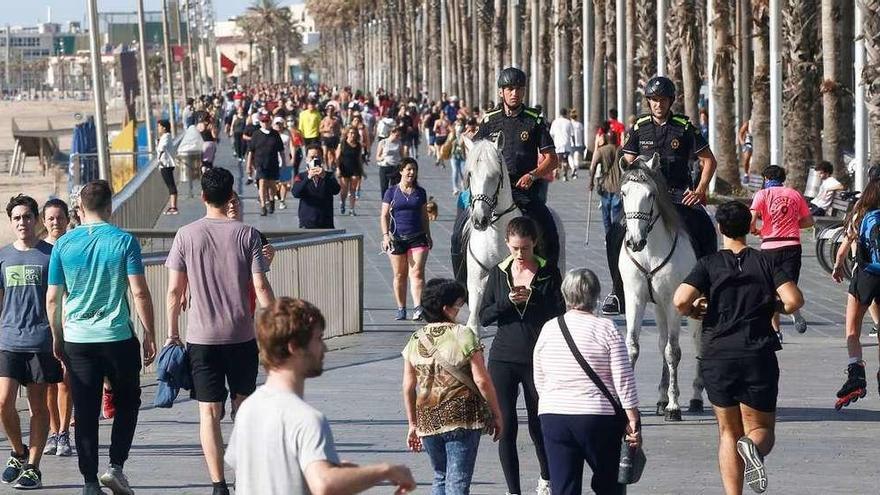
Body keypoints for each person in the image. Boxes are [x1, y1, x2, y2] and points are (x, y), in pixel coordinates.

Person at [673, 201, 803, 495]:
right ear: (751, 228)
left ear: (719, 228)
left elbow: (680, 300)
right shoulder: (765, 262)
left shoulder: (708, 264)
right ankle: (753, 447)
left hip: (717, 355)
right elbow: (794, 300)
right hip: (758, 353)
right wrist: (773, 304)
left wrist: (695, 310)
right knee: (762, 429)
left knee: (727, 431)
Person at [226, 297, 416, 495]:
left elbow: (262, 472)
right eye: (318, 339)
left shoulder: (249, 408)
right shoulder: (306, 419)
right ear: (294, 347)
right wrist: (385, 471)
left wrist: (325, 467)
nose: (324, 348)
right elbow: (324, 484)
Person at [165, 167, 275, 495]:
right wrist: (275, 328)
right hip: (241, 335)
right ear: (230, 197)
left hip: (202, 338)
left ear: (202, 196)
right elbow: (261, 286)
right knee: (244, 407)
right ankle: (245, 477)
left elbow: (174, 292)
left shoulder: (186, 234)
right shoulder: (247, 234)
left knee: (209, 412)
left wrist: (172, 333)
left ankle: (218, 485)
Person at [47, 180, 157, 495]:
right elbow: (139, 291)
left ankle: (89, 482)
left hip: (78, 338)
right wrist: (148, 332)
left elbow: (53, 298)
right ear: (110, 207)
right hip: (118, 336)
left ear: (79, 209)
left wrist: (57, 336)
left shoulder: (64, 245)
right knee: (127, 402)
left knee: (85, 409)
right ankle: (116, 466)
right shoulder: (124, 241)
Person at [601, 75, 719, 316]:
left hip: (678, 196)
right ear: (648, 102)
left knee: (705, 228)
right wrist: (630, 165)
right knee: (615, 233)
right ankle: (617, 291)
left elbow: (709, 161)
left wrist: (699, 190)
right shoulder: (639, 127)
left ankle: (709, 288)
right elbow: (627, 159)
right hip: (646, 197)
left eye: (662, 100)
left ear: (671, 101)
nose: (658, 104)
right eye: (653, 100)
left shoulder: (684, 128)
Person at [533, 268, 641, 495]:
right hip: (597, 418)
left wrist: (555, 399)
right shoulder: (606, 328)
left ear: (565, 295)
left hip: (554, 415)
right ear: (596, 295)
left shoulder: (549, 328)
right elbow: (623, 377)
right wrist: (632, 416)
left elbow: (539, 376)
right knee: (609, 484)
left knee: (563, 487)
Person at [478, 216, 565, 495]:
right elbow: (484, 316)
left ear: (534, 244)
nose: (519, 255)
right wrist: (507, 301)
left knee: (539, 423)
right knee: (505, 426)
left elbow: (559, 313)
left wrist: (533, 298)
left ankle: (546, 479)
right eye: (514, 248)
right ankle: (513, 490)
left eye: (525, 249)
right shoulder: (498, 272)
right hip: (502, 358)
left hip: (537, 358)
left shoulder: (549, 271)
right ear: (507, 243)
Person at [401, 279, 503, 495]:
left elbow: (409, 385)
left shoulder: (415, 339)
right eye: (459, 304)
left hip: (427, 419)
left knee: (440, 476)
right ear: (446, 308)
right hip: (462, 417)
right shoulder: (464, 335)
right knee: (458, 481)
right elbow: (482, 380)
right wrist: (496, 413)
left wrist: (413, 424)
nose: (461, 309)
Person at [453, 67, 560, 273]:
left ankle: (550, 278)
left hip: (523, 190)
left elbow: (552, 159)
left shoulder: (534, 120)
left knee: (548, 228)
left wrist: (533, 175)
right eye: (509, 88)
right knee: (458, 232)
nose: (514, 93)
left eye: (519, 89)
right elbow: (476, 154)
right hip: (488, 189)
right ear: (501, 92)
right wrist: (465, 141)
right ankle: (461, 281)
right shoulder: (490, 119)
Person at [0, 195, 62, 490]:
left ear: (36, 220)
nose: (22, 222)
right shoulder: (3, 256)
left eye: (27, 217)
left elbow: (62, 298)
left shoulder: (51, 255)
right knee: (3, 403)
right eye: (17, 218)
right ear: (11, 222)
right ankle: (18, 451)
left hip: (41, 341)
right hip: (8, 340)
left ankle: (33, 467)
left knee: (38, 406)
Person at [749, 165, 814, 341]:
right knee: (788, 285)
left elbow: (751, 220)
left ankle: (776, 331)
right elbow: (808, 221)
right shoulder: (794, 194)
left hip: (770, 246)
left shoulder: (762, 195)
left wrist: (757, 230)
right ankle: (795, 313)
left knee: (770, 290)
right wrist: (792, 226)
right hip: (792, 246)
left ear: (766, 178)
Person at [831, 178, 880, 410]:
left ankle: (856, 376)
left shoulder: (860, 212)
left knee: (852, 329)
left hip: (865, 276)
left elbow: (846, 242)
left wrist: (838, 264)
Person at [380, 158, 432, 321]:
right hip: (396, 238)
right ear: (401, 171)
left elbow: (424, 216)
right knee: (400, 275)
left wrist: (428, 234)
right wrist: (385, 235)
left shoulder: (420, 192)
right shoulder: (391, 192)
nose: (411, 172)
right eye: (408, 169)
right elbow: (384, 215)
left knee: (417, 273)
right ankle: (401, 308)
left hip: (417, 237)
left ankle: (418, 307)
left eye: (414, 170)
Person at [41, 199, 73, 459]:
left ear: (68, 219)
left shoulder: (73, 246)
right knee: (49, 384)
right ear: (44, 221)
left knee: (65, 381)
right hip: (43, 325)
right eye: (50, 218)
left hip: (69, 323)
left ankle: (64, 432)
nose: (55, 222)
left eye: (59, 217)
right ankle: (52, 430)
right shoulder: (40, 251)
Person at [292, 145, 342, 229]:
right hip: (307, 222)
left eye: (317, 157)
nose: (314, 160)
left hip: (326, 222)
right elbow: (295, 193)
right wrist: (308, 178)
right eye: (311, 157)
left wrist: (324, 176)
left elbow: (336, 190)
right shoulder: (301, 176)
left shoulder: (329, 175)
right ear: (306, 159)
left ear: (322, 159)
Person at [248, 111, 285, 216]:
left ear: (270, 122)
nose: (265, 123)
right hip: (260, 164)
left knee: (272, 185)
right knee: (262, 183)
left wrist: (284, 164)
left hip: (273, 163)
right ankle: (263, 206)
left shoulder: (275, 134)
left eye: (267, 121)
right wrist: (249, 166)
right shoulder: (256, 134)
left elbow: (281, 150)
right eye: (263, 121)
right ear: (260, 122)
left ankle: (272, 200)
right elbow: (251, 151)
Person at [589, 124, 622, 234]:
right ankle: (615, 235)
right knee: (617, 215)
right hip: (618, 186)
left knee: (606, 215)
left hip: (605, 187)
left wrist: (591, 182)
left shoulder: (601, 151)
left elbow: (593, 166)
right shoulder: (621, 151)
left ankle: (608, 235)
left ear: (607, 139)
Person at [336, 127, 364, 216]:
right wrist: (338, 169)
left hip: (355, 169)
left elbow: (359, 159)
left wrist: (362, 171)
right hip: (344, 168)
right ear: (347, 134)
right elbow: (337, 158)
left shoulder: (358, 145)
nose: (352, 135)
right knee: (344, 190)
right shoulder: (342, 144)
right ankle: (342, 202)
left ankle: (352, 209)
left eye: (354, 133)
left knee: (352, 190)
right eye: (351, 133)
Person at [376, 126, 409, 199]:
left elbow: (402, 156)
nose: (398, 137)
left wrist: (404, 163)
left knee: (395, 187)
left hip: (395, 167)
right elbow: (377, 157)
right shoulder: (383, 142)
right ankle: (385, 202)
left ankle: (394, 203)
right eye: (397, 135)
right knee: (384, 187)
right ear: (391, 133)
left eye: (399, 135)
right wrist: (382, 157)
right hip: (385, 167)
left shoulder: (399, 143)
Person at [156, 119, 179, 215]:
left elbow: (162, 148)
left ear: (164, 128)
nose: (158, 129)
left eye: (159, 126)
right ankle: (172, 206)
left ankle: (173, 207)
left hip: (165, 164)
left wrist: (160, 155)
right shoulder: (165, 137)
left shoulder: (166, 136)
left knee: (171, 185)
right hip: (166, 164)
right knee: (170, 185)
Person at [549, 108, 575, 181]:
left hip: (557, 143)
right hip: (566, 143)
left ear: (560, 113)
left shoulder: (555, 122)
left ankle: (556, 172)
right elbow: (572, 135)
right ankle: (565, 175)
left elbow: (551, 134)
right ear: (566, 113)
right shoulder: (568, 122)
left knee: (557, 160)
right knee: (565, 160)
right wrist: (574, 142)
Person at [320, 105, 343, 170]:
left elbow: (339, 129)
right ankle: (326, 167)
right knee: (325, 153)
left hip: (334, 138)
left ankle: (332, 165)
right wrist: (326, 130)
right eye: (329, 111)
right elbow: (320, 129)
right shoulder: (324, 120)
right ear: (327, 112)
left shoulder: (336, 120)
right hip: (325, 138)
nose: (330, 112)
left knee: (334, 154)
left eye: (332, 111)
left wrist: (338, 133)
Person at [568, 109, 585, 180]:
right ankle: (575, 171)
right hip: (579, 143)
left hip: (570, 143)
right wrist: (583, 143)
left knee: (570, 157)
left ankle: (573, 168)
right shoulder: (580, 124)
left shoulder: (569, 124)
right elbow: (582, 135)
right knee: (577, 158)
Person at [737, 118, 752, 184]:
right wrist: (742, 142)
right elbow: (740, 133)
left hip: (759, 145)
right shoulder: (748, 123)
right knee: (747, 157)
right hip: (748, 143)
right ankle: (746, 174)